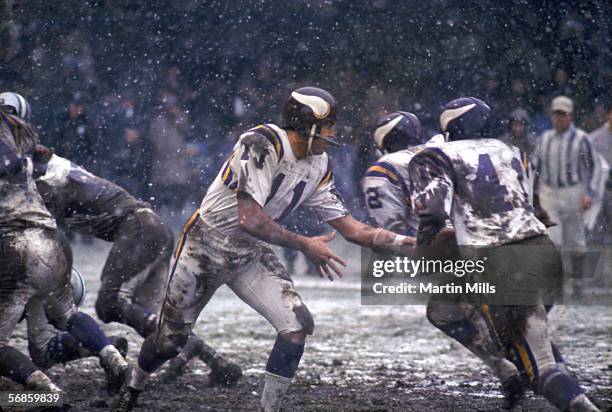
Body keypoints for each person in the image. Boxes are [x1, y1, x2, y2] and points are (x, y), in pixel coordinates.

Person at [114, 87, 414, 412]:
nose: (332, 133)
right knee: (170, 341)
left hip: (251, 252)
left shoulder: (318, 164)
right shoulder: (260, 142)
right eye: (328, 125)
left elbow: (351, 227)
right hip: (206, 243)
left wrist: (409, 245)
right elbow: (250, 219)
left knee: (297, 324)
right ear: (307, 124)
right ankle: (134, 384)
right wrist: (304, 245)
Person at [408, 96, 600, 411]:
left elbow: (432, 215)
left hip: (501, 264)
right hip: (542, 254)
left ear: (452, 128)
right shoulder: (514, 153)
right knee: (523, 343)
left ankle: (576, 400)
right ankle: (553, 377)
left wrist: (425, 254)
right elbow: (540, 212)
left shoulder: (437, 155)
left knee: (536, 365)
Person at [32, 148, 242, 386]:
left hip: (140, 228)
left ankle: (182, 344)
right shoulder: (57, 171)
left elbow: (40, 229)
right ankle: (218, 363)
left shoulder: (46, 181)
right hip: (150, 226)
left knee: (110, 302)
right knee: (147, 312)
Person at [361, 110, 525, 408]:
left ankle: (521, 367)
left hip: (451, 245)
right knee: (477, 310)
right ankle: (515, 369)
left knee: (453, 312)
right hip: (496, 233)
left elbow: (393, 231)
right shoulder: (442, 148)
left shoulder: (383, 170)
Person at [0, 92, 129, 398]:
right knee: (64, 319)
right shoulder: (27, 145)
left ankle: (47, 395)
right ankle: (111, 354)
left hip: (13, 247)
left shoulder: (14, 151)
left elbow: (7, 164)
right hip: (51, 240)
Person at [534, 96, 596, 293]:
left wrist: (589, 193)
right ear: (551, 115)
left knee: (576, 238)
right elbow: (536, 168)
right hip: (550, 192)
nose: (559, 119)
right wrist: (535, 196)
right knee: (552, 239)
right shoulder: (545, 138)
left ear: (570, 115)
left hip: (572, 191)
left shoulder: (581, 138)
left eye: (563, 114)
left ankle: (578, 283)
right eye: (556, 114)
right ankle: (555, 283)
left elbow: (593, 167)